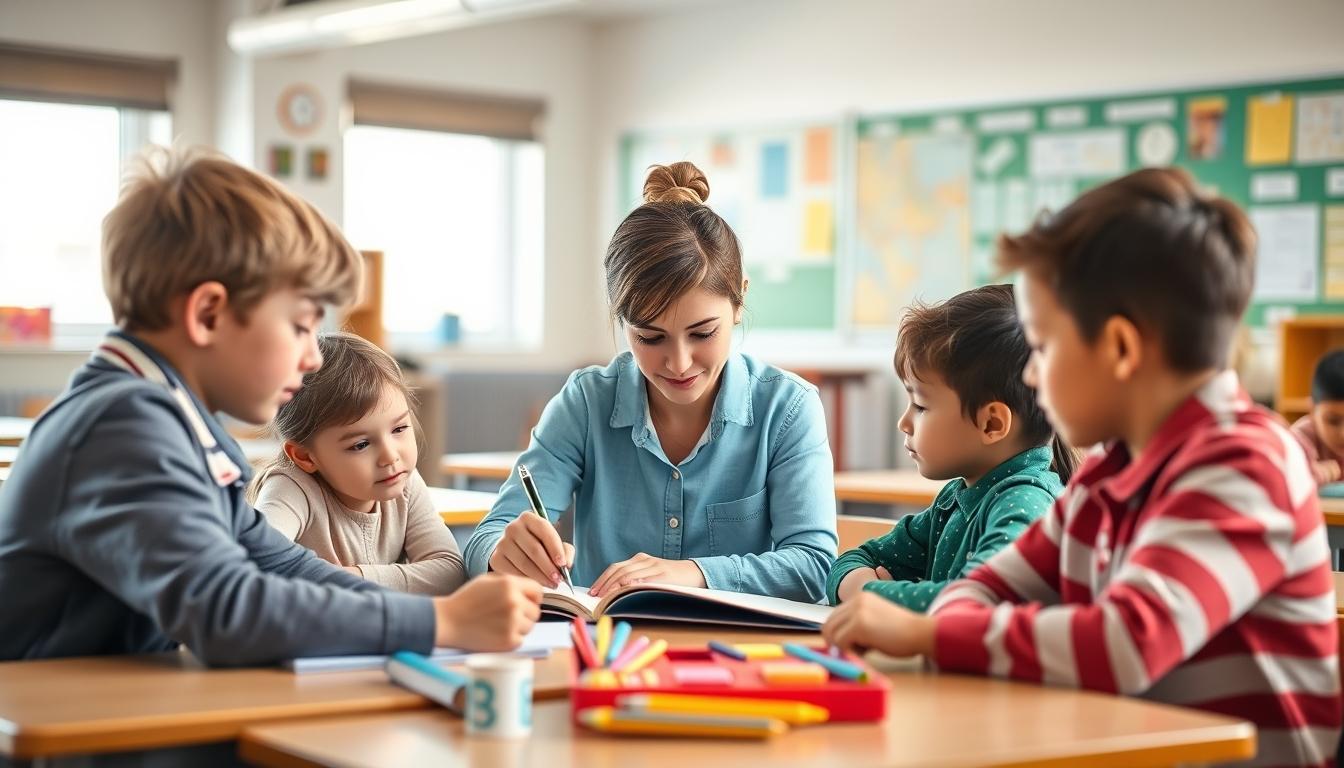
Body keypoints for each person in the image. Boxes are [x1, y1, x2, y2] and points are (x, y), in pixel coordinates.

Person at [822, 167, 1340, 766]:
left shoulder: (1246, 465)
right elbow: (990, 590)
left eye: (1043, 347)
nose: (1031, 374)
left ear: (1119, 348)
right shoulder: (1107, 474)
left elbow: (1128, 642)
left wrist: (929, 633)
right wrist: (948, 623)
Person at [0, 147, 539, 664]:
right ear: (208, 315)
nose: (312, 357)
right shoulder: (124, 426)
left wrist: (440, 613)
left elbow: (279, 564)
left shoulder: (173, 421)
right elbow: (226, 610)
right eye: (300, 326)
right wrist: (438, 623)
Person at [464, 161, 836, 602]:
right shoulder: (585, 402)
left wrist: (692, 573)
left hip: (732, 643)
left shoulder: (788, 408)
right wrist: (503, 553)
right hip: (604, 639)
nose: (679, 363)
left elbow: (814, 565)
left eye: (702, 333)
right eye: (650, 337)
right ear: (622, 321)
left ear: (740, 300)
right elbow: (484, 539)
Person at [826, 284, 1070, 610]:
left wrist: (870, 594)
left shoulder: (1025, 502)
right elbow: (856, 559)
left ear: (991, 424)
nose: (904, 422)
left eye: (921, 406)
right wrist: (860, 587)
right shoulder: (958, 497)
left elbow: (975, 601)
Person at [252, 332, 466, 595]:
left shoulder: (405, 483)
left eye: (399, 429)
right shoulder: (291, 487)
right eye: (361, 444)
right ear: (305, 457)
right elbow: (257, 560)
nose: (390, 456)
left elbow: (449, 572)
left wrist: (351, 578)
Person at [1290, 349, 1344, 486]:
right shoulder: (1297, 442)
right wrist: (1314, 475)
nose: (1343, 434)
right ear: (1312, 411)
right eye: (1333, 421)